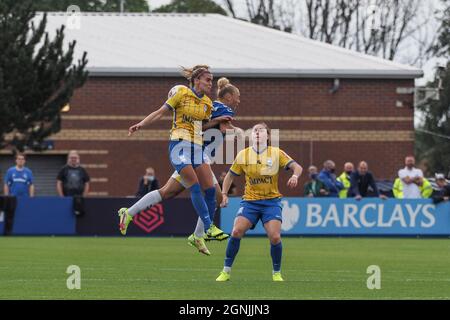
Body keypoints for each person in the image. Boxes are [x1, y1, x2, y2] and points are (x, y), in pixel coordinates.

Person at [118, 65, 232, 250]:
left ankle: (198, 234)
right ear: (196, 80)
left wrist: (218, 122)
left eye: (212, 80)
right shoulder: (181, 93)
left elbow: (200, 127)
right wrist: (141, 124)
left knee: (209, 191)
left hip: (196, 148)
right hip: (179, 145)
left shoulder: (208, 104)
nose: (210, 84)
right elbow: (160, 112)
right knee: (194, 186)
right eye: (207, 80)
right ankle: (207, 228)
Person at [216, 123, 303, 282]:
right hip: (250, 202)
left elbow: (297, 167)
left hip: (271, 202)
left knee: (275, 237)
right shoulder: (243, 154)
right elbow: (229, 176)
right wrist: (224, 193)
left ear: (268, 136)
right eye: (255, 130)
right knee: (236, 232)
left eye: (261, 130)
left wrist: (295, 176)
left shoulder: (276, 153)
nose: (257, 133)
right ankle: (226, 271)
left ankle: (276, 273)